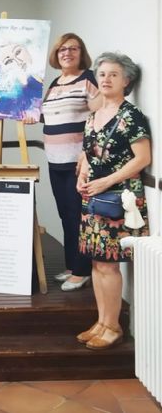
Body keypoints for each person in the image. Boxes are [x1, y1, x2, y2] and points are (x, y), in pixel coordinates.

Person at [76, 52, 150, 350]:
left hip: (119, 199)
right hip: (93, 197)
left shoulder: (131, 116)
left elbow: (143, 158)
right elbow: (86, 154)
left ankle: (114, 326)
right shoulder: (93, 116)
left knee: (109, 266)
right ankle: (102, 321)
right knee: (97, 263)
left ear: (126, 81)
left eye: (113, 75)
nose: (106, 79)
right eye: (102, 73)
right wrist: (82, 175)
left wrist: (106, 181)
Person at [26, 33, 100, 291]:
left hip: (77, 162)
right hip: (55, 160)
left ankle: (82, 271)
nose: (67, 53)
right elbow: (49, 116)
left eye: (73, 49)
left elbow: (100, 115)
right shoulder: (56, 83)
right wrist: (30, 116)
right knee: (65, 214)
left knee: (78, 216)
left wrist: (87, 154)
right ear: (56, 55)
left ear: (81, 53)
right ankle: (72, 265)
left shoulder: (88, 79)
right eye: (62, 50)